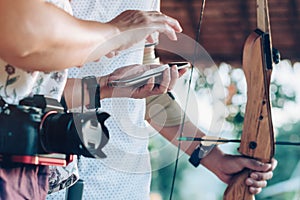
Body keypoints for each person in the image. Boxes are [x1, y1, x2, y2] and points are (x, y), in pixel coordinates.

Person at [47, 0, 277, 200]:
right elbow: (28, 89)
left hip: (124, 186)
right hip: (43, 180)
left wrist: (212, 156)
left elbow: (148, 98)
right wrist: (108, 77)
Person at [0, 0, 183, 199]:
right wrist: (114, 32)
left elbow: (38, 90)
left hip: (34, 170)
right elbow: (28, 35)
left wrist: (105, 86)